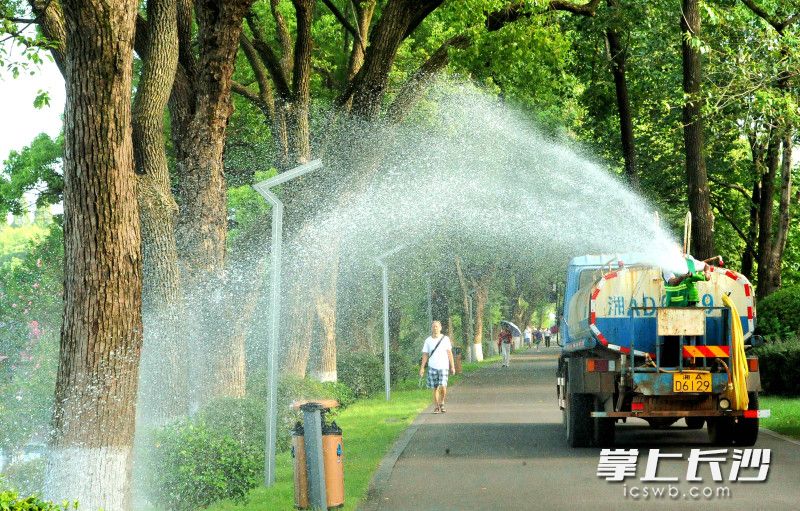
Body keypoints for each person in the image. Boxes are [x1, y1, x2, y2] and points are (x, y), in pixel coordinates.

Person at [419, 320, 455, 414]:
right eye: (433, 326)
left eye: (437, 326)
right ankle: (436, 406)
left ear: (440, 328)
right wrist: (422, 367)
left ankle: (442, 402)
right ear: (431, 328)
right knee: (435, 387)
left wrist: (452, 366)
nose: (435, 328)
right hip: (432, 367)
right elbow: (425, 355)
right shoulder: (428, 340)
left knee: (443, 386)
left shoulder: (445, 339)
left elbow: (449, 353)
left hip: (443, 366)